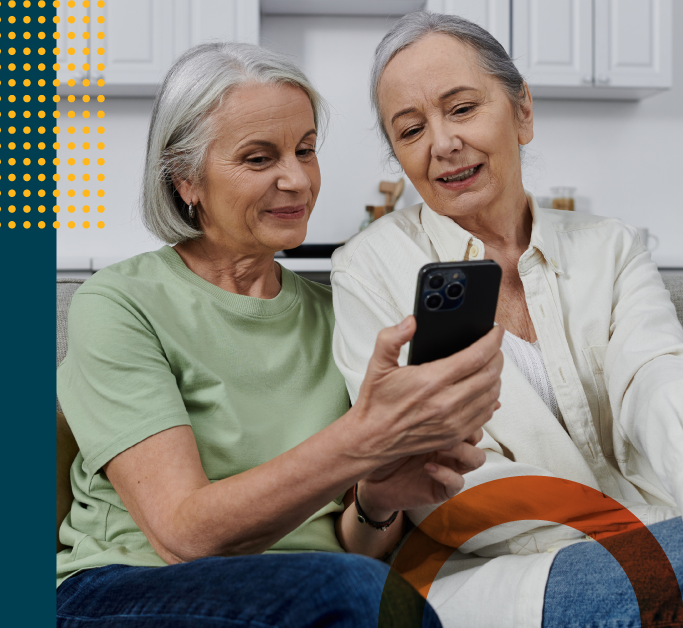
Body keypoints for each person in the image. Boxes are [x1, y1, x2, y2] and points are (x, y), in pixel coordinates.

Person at [55, 42, 506, 627]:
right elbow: (183, 535)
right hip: (129, 588)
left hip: (315, 590)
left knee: (369, 588)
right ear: (185, 178)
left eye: (306, 150)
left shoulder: (336, 312)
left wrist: (379, 496)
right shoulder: (120, 304)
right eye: (258, 158)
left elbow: (355, 545)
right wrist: (363, 438)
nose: (296, 179)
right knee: (361, 594)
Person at [332, 12, 683, 627]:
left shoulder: (612, 245)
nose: (441, 143)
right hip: (506, 581)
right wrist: (632, 531)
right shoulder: (367, 270)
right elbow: (457, 487)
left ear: (522, 111)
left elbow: (657, 383)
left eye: (462, 109)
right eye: (411, 130)